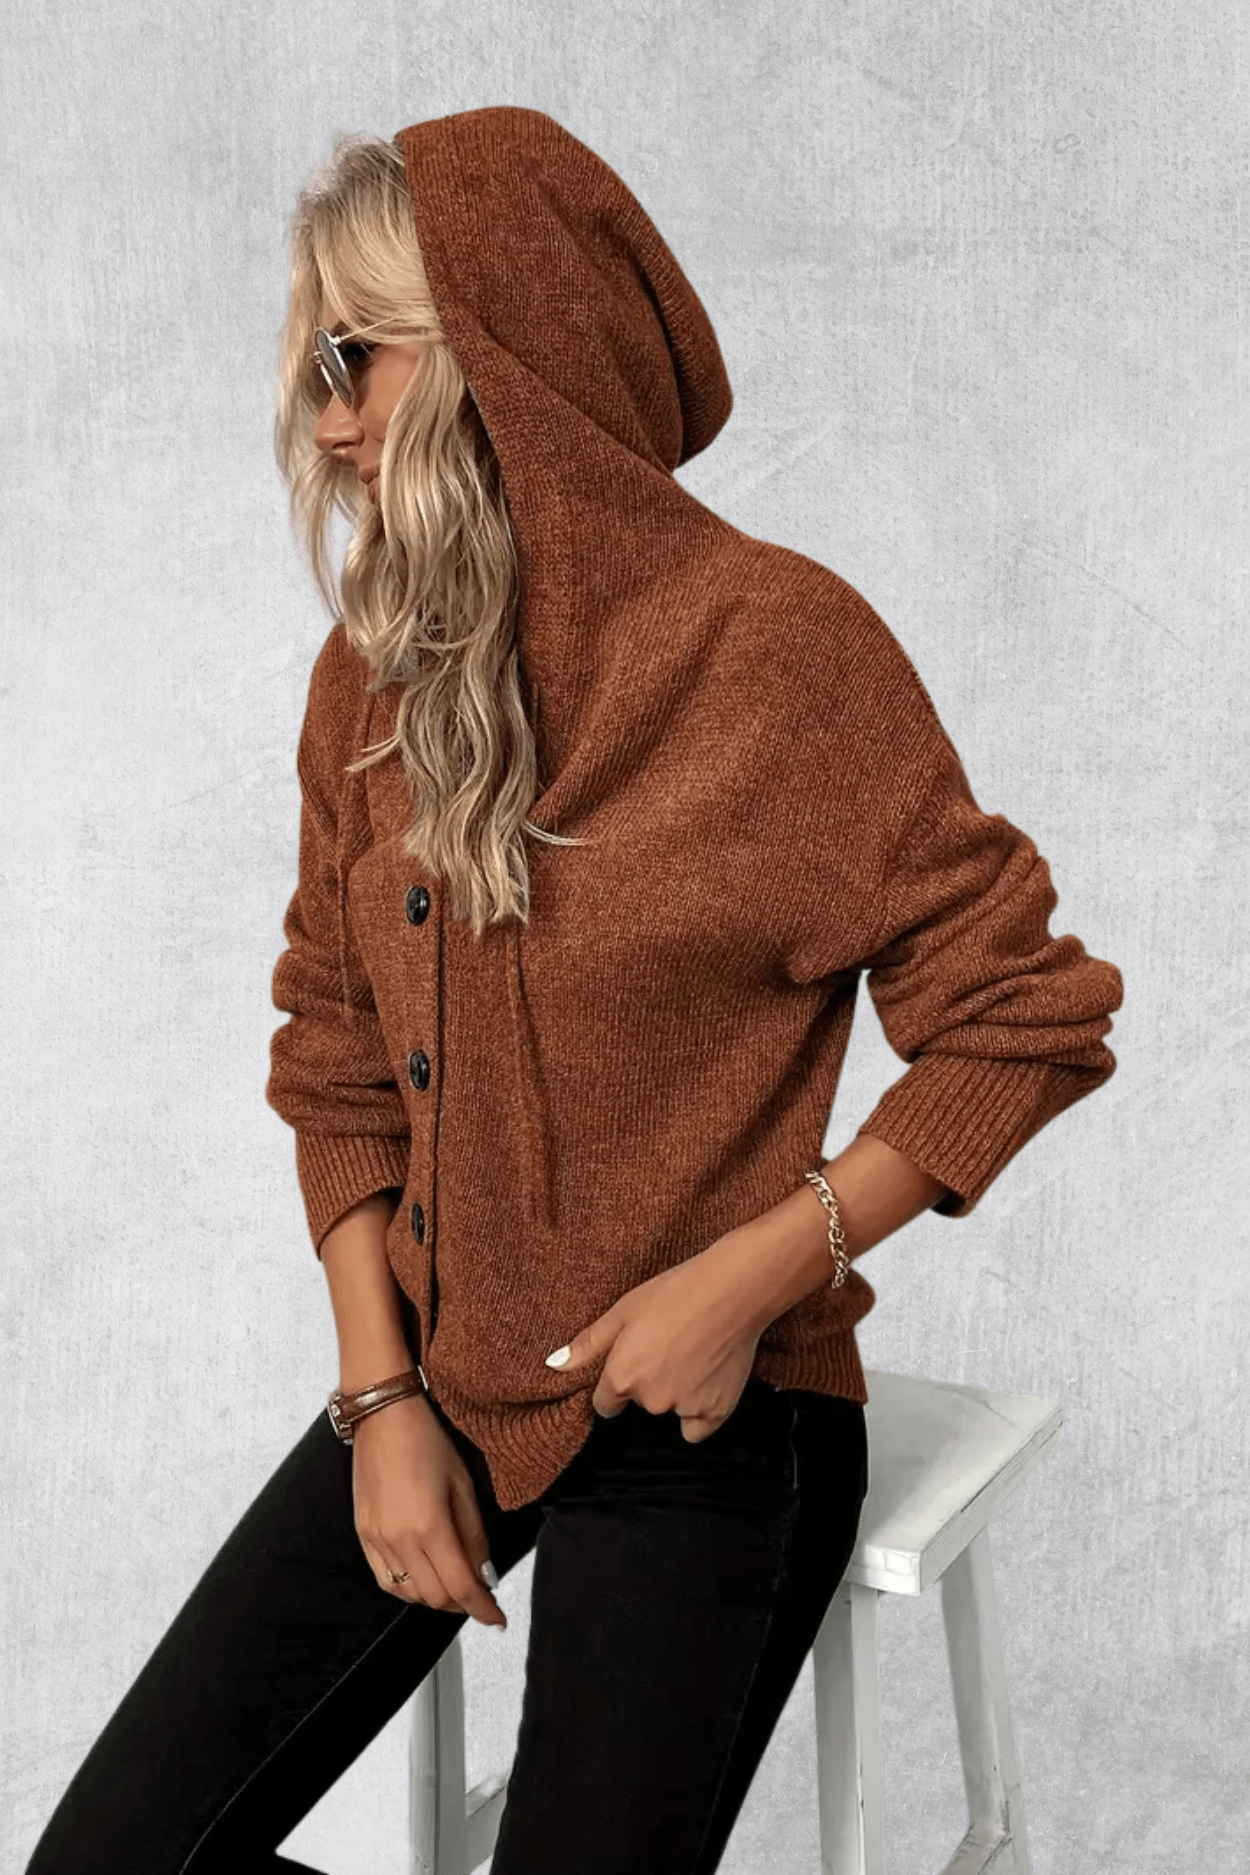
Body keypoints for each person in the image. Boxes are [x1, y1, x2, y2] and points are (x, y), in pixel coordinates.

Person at [24, 106, 1123, 1875]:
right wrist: (379, 1400)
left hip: (712, 1409)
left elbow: (1021, 1010)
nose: (324, 416)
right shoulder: (371, 683)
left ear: (505, 351)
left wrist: (750, 1276)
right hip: (441, 1369)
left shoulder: (778, 654)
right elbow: (333, 1051)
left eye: (356, 355)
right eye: (310, 365)